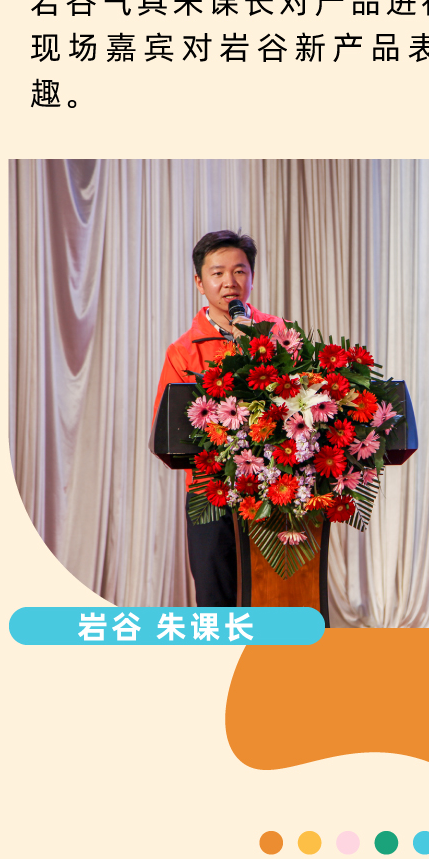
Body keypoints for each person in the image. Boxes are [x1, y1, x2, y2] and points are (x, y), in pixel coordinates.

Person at [153, 230, 284, 605]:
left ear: (252, 277)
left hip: (277, 487)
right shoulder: (183, 351)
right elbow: (171, 429)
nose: (230, 282)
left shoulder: (278, 334)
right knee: (216, 600)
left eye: (240, 271)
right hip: (211, 492)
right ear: (199, 282)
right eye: (218, 273)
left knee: (277, 596)